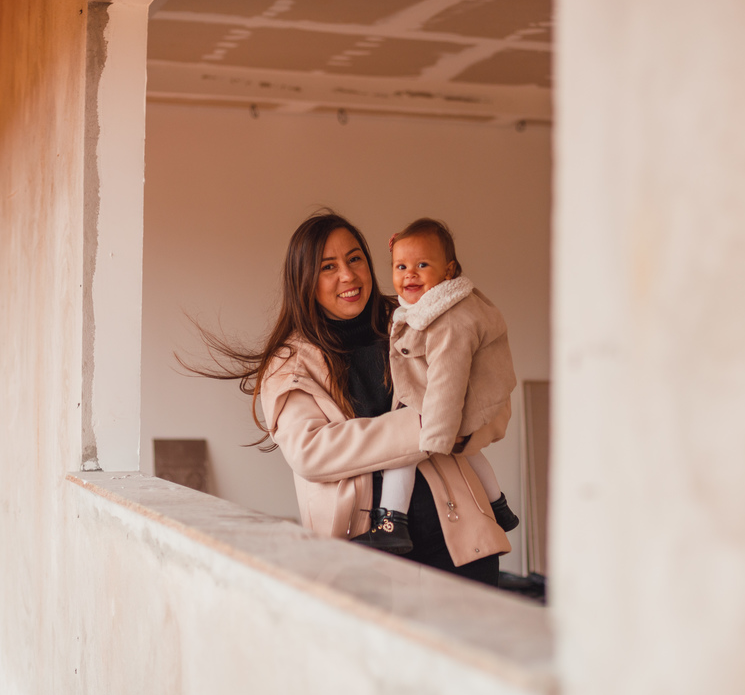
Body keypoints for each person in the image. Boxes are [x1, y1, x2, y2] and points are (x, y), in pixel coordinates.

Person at [188, 211, 509, 584]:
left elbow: (494, 404)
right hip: (359, 557)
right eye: (328, 267)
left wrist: (457, 422)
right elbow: (313, 452)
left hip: (462, 546)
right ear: (305, 281)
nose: (348, 275)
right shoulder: (290, 361)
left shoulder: (419, 320)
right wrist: (431, 426)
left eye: (355, 258)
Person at [351, 218, 518, 554]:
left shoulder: (449, 319)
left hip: (448, 406)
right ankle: (499, 506)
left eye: (422, 265)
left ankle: (391, 523)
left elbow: (447, 378)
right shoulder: (433, 305)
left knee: (401, 457)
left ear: (448, 271)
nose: (409, 274)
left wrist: (434, 435)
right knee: (470, 452)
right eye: (400, 266)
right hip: (464, 403)